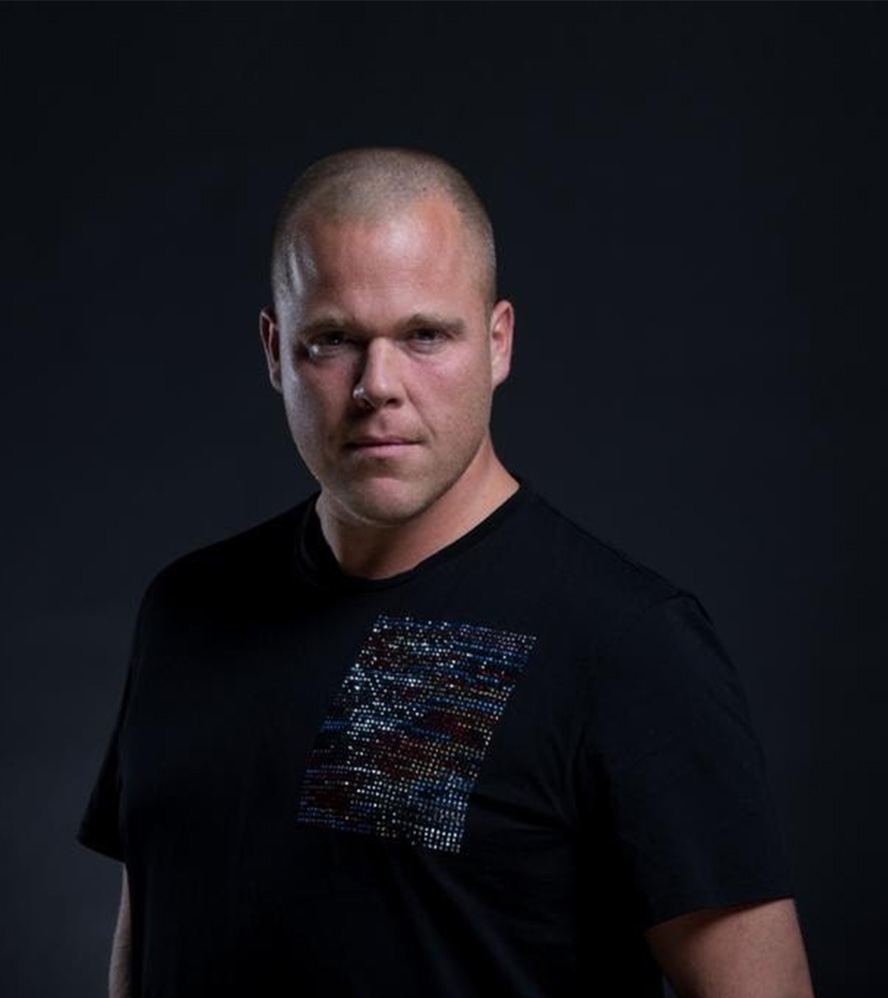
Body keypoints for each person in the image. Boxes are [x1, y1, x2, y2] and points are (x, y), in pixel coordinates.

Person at [76, 146, 815, 998]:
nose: (377, 385)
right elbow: (149, 928)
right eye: (333, 341)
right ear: (276, 350)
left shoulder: (625, 642)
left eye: (424, 335)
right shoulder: (188, 610)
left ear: (498, 342)